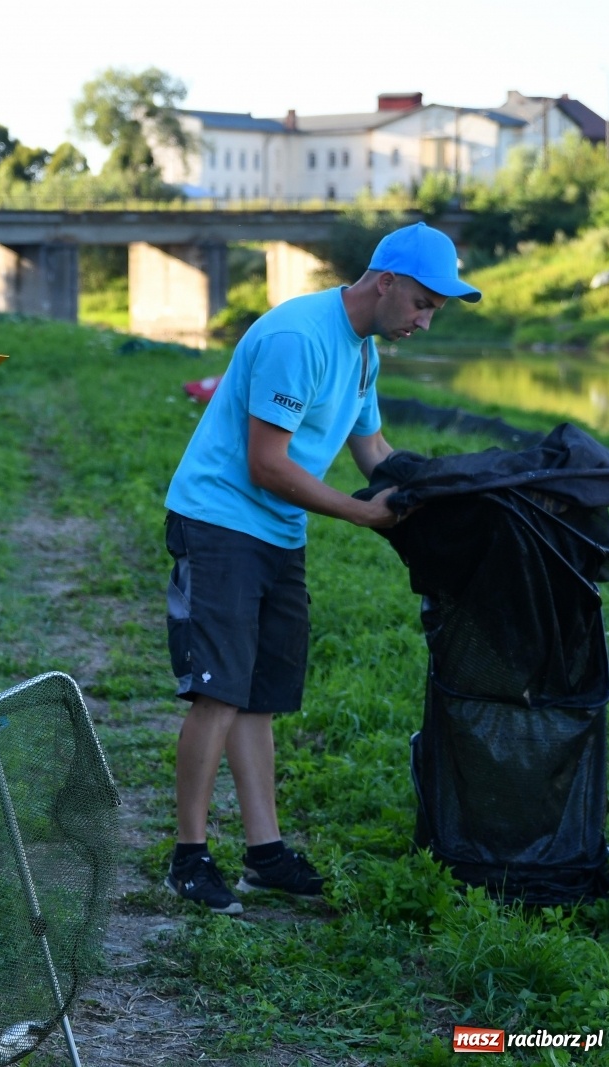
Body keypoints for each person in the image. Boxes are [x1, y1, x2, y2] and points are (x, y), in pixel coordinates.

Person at [161, 222, 480, 915]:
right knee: (218, 690)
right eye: (423, 303)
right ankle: (187, 856)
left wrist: (431, 493)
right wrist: (363, 514)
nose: (426, 320)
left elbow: (372, 449)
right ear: (385, 281)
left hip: (278, 530)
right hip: (219, 520)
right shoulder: (298, 337)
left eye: (437, 310)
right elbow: (266, 463)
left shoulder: (366, 351)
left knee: (263, 694)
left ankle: (264, 851)